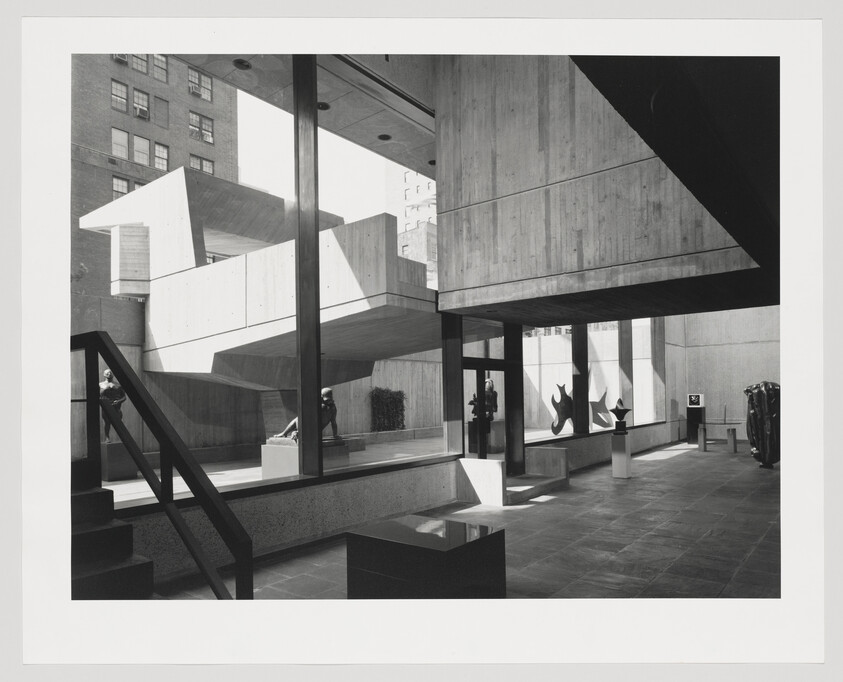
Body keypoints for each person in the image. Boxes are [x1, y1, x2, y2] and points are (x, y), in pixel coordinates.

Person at [274, 387, 339, 442]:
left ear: (321, 397)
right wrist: (335, 435)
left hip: (309, 432)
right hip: (314, 433)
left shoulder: (320, 407)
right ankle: (293, 433)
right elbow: (333, 423)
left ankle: (291, 433)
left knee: (298, 418)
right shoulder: (333, 408)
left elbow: (304, 419)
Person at [99, 369, 126, 443]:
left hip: (116, 407)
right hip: (106, 407)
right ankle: (107, 437)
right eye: (107, 373)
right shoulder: (100, 385)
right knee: (107, 423)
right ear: (104, 375)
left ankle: (123, 437)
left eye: (110, 373)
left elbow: (124, 397)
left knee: (119, 423)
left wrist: (118, 401)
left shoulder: (118, 385)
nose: (109, 374)